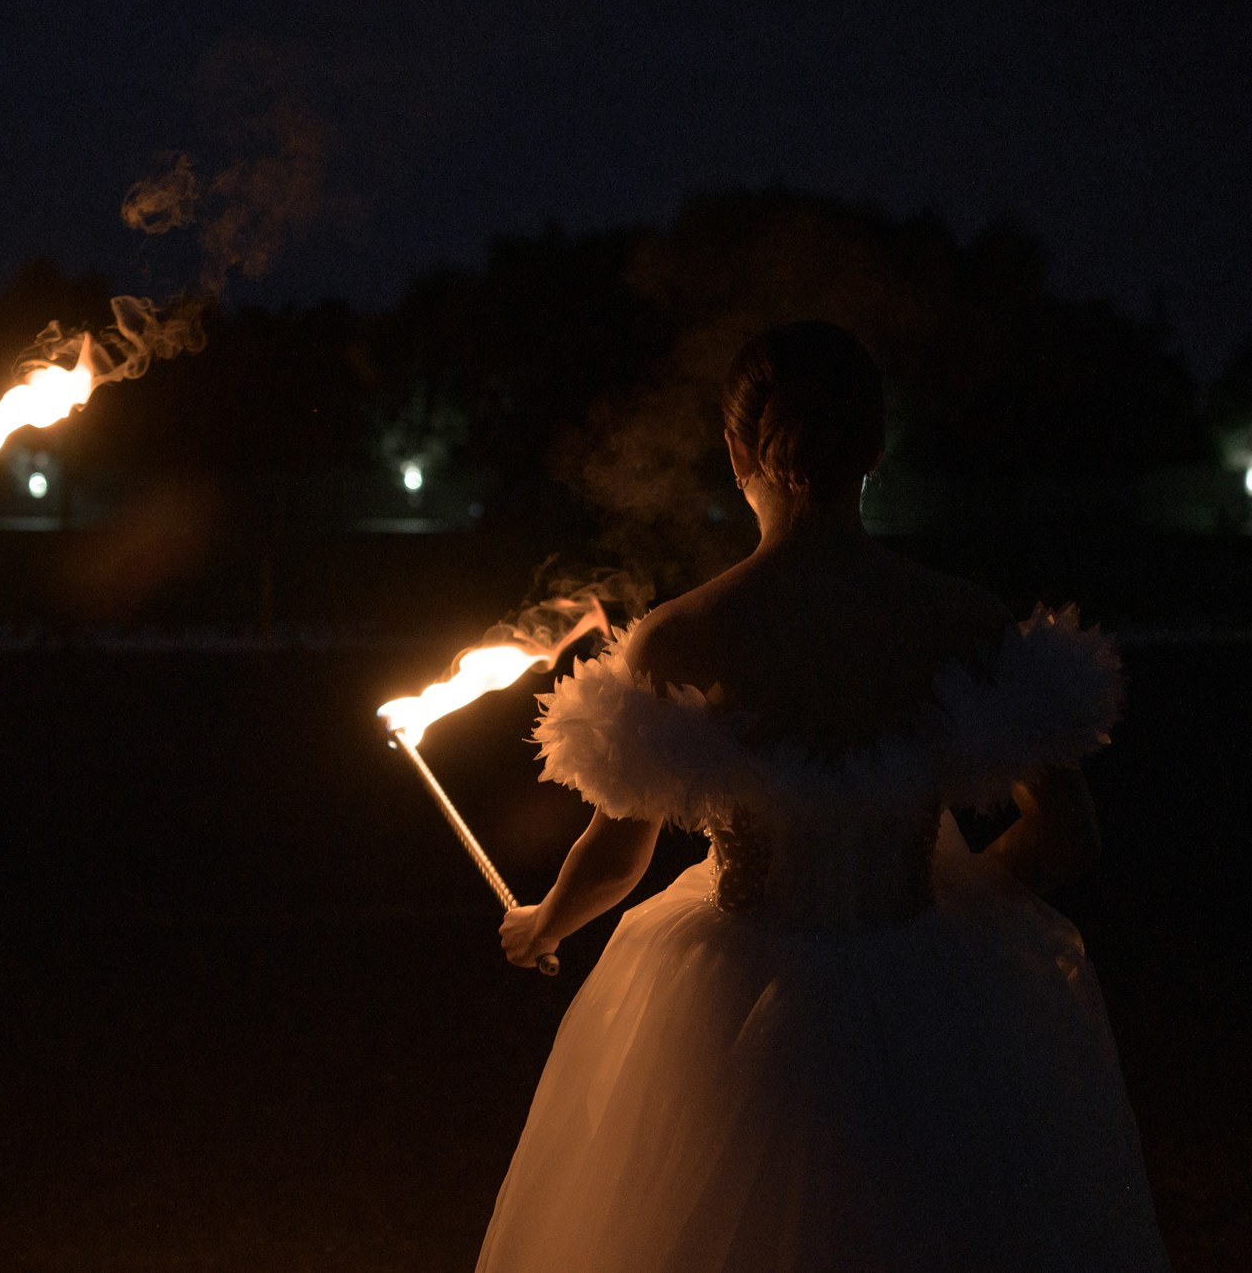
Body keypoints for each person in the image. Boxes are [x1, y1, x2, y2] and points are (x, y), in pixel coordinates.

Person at [478, 322, 1169, 1271]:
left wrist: (545, 924)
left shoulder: (685, 636)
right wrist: (945, 899)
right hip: (935, 998)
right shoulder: (961, 620)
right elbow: (1069, 831)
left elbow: (621, 850)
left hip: (729, 1010)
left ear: (735, 451)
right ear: (876, 447)